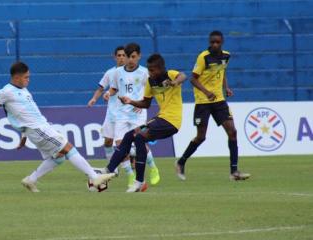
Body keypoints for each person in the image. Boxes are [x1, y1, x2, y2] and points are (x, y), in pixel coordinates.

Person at [0, 62, 115, 192]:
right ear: (16, 77)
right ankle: (94, 177)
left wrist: (23, 136)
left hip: (40, 127)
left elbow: (23, 115)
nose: (29, 80)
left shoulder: (23, 90)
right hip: (37, 129)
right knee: (67, 148)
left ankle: (31, 179)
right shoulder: (5, 92)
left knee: (59, 157)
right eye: (26, 77)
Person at [104, 53, 187, 192]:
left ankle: (139, 181)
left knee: (140, 137)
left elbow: (183, 76)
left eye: (153, 70)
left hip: (172, 121)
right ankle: (109, 170)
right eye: (149, 70)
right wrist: (131, 101)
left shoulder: (171, 74)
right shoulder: (150, 82)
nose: (150, 73)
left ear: (161, 68)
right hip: (161, 118)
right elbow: (146, 103)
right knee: (130, 135)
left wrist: (175, 82)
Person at [175, 30, 250, 181]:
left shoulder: (226, 56)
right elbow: (193, 79)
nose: (215, 44)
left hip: (219, 100)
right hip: (203, 101)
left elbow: (222, 72)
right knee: (201, 137)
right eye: (212, 42)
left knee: (232, 132)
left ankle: (234, 172)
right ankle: (181, 162)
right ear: (209, 42)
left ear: (221, 42)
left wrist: (226, 87)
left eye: (217, 42)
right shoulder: (203, 57)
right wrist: (207, 92)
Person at [103, 43, 161, 187]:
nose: (130, 60)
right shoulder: (118, 72)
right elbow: (115, 88)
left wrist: (142, 103)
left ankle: (153, 168)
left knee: (141, 141)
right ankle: (130, 176)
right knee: (120, 145)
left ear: (139, 56)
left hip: (138, 113)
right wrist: (108, 93)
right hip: (121, 113)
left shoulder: (144, 73)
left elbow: (152, 90)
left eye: (133, 57)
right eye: (128, 57)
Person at [87, 46, 125, 163]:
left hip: (127, 112)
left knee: (124, 142)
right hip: (112, 112)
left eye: (124, 55)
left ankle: (131, 159)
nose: (121, 58)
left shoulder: (132, 73)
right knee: (108, 141)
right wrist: (94, 99)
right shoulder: (110, 72)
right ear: (115, 57)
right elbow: (101, 88)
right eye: (119, 55)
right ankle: (112, 166)